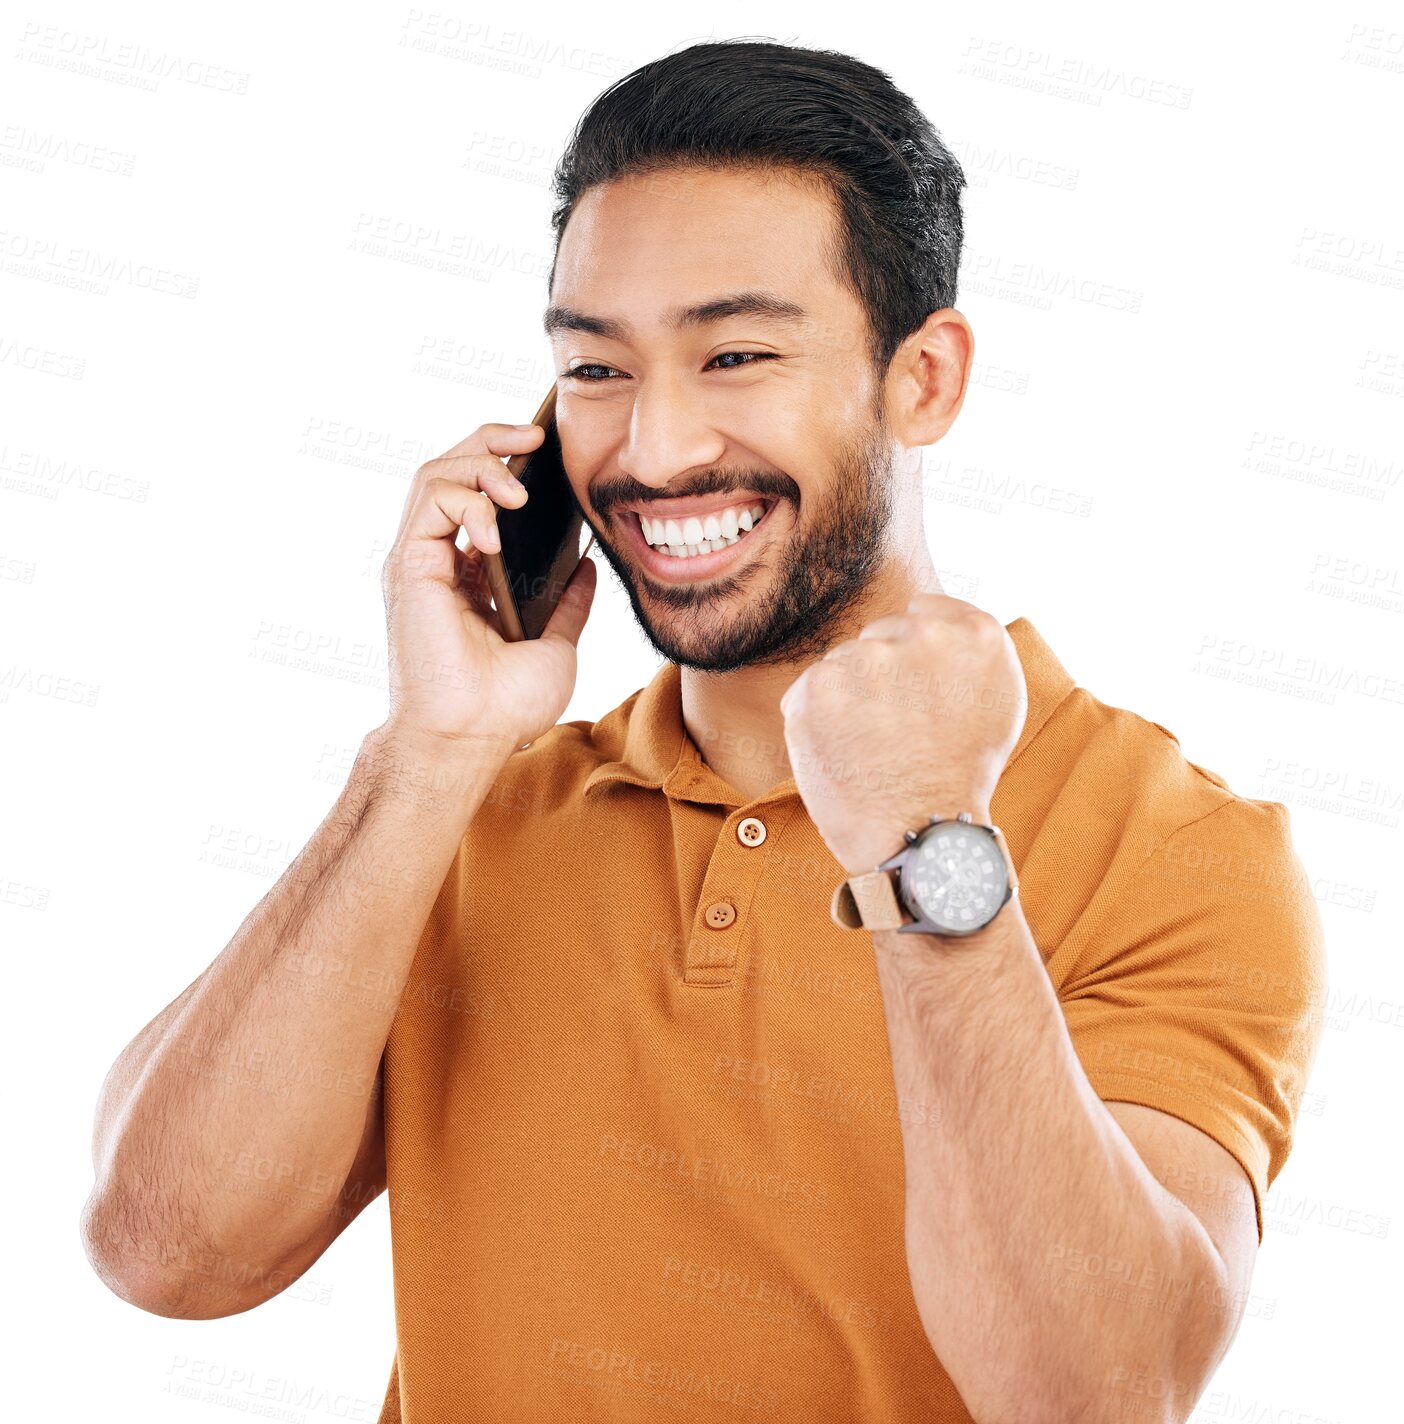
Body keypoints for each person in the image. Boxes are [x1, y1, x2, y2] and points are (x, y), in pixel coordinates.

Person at [81, 38, 1326, 1424]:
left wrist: (930, 847)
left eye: (735, 354)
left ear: (923, 381)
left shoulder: (1179, 847)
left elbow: (1096, 1393)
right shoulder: (465, 816)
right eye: (598, 371)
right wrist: (431, 751)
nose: (656, 450)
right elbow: (165, 1255)